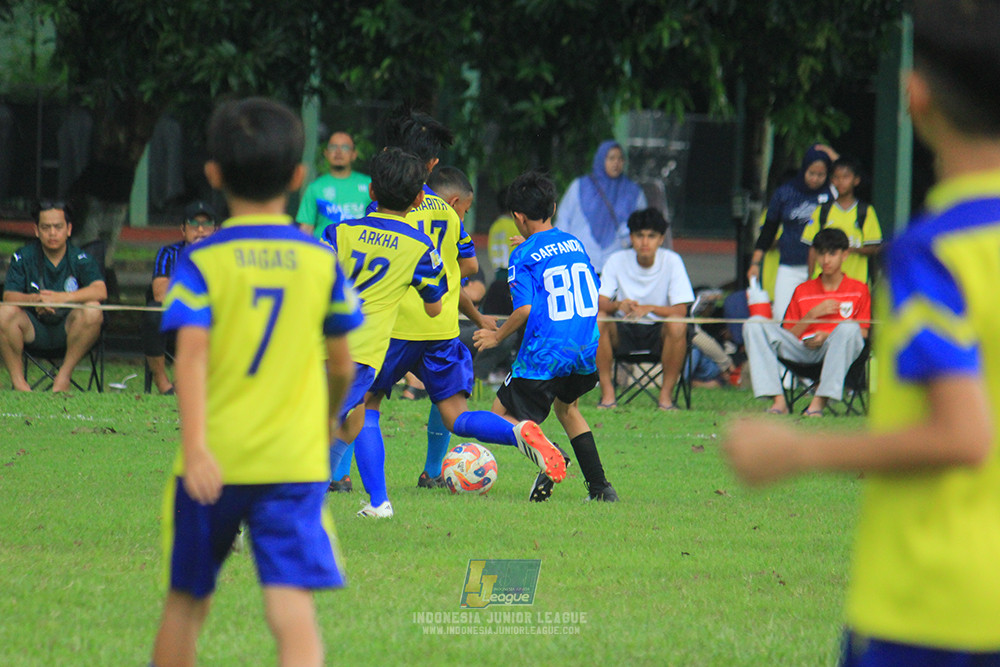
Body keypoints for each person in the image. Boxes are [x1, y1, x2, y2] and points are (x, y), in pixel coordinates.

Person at [727, 5, 1000, 662]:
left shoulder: (935, 251)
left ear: (916, 95)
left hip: (934, 602)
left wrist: (796, 453)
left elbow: (964, 434)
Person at [150, 97, 362, 667]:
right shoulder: (320, 261)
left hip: (213, 460)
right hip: (292, 462)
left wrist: (195, 448)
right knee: (291, 604)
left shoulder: (203, 260)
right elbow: (342, 363)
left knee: (187, 602)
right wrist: (324, 423)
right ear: (298, 177)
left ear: (214, 175)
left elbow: (189, 358)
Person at [356, 113, 565, 506]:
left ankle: (371, 498)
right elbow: (466, 269)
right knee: (457, 414)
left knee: (366, 405)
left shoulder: (378, 211)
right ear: (430, 165)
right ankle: (517, 433)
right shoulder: (448, 214)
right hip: (440, 328)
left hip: (393, 328)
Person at [322, 145, 448, 518]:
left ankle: (378, 502)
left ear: (371, 192)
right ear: (420, 198)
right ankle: (254, 514)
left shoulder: (339, 232)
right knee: (318, 430)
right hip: (358, 353)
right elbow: (434, 306)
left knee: (355, 417)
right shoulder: (420, 247)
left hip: (322, 343)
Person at [475, 171, 616, 502]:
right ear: (552, 206)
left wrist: (496, 337)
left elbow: (523, 311)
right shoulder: (575, 242)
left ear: (518, 218)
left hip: (545, 352)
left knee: (498, 417)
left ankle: (550, 455)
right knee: (567, 410)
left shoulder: (522, 256)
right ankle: (600, 488)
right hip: (583, 347)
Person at [742, 227, 868, 416]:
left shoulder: (859, 289)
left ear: (845, 255)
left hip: (837, 350)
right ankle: (778, 400)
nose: (826, 260)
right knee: (754, 323)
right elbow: (787, 335)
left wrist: (827, 337)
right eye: (821, 254)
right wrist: (811, 315)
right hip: (802, 350)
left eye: (832, 254)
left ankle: (818, 402)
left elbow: (863, 333)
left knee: (849, 328)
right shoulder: (803, 290)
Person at [0, 201, 106, 392]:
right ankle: (19, 384)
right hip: (33, 328)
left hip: (69, 331)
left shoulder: (81, 258)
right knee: (3, 312)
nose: (52, 233)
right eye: (46, 227)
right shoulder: (23, 256)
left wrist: (62, 298)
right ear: (36, 230)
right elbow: (9, 295)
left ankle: (63, 377)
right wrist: (35, 300)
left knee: (93, 309)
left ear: (69, 229)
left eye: (58, 227)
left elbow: (100, 290)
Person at [594, 208, 694, 411]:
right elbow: (598, 302)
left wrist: (650, 309)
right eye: (639, 236)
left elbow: (681, 310)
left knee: (678, 325)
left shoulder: (672, 261)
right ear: (631, 237)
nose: (645, 242)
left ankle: (665, 399)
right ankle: (607, 395)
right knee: (598, 319)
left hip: (659, 332)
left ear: (661, 239)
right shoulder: (616, 260)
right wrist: (618, 305)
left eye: (651, 236)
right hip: (624, 329)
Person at [747, 144, 836, 322]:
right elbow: (768, 231)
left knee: (818, 316)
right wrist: (755, 262)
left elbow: (850, 175)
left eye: (821, 175)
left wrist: (832, 155)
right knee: (783, 314)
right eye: (811, 173)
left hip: (821, 266)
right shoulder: (785, 193)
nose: (815, 179)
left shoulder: (832, 193)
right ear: (803, 170)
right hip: (789, 264)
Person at [142, 200, 219, 395]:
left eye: (206, 225)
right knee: (152, 314)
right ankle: (163, 384)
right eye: (194, 224)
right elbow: (160, 293)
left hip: (212, 324)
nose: (200, 230)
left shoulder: (223, 255)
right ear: (183, 229)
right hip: (174, 326)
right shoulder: (168, 254)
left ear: (215, 230)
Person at [555, 139, 647, 273]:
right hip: (579, 261)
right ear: (601, 159)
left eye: (620, 159)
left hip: (616, 263)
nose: (616, 163)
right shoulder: (580, 186)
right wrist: (563, 254)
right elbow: (563, 220)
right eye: (611, 158)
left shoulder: (633, 192)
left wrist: (627, 239)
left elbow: (642, 224)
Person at [800, 156, 883, 285]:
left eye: (845, 177)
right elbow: (812, 247)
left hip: (855, 282)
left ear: (856, 180)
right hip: (823, 283)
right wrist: (810, 279)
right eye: (836, 177)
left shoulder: (865, 211)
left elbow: (874, 246)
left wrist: (850, 249)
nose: (840, 182)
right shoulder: (822, 210)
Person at [295, 130, 371, 239]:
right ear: (326, 153)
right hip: (324, 253)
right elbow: (306, 229)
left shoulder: (369, 184)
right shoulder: (315, 187)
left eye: (345, 147)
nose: (338, 152)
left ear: (354, 154)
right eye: (333, 147)